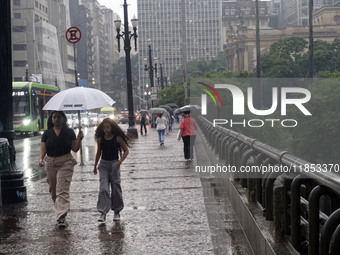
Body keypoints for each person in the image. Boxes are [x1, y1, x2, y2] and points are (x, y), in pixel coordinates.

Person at [39, 111, 84, 227]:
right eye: (54, 117)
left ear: (63, 119)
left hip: (65, 161)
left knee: (62, 189)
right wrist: (41, 159)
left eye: (59, 117)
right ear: (51, 119)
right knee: (53, 190)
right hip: (50, 162)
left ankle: (61, 217)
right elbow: (43, 149)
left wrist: (79, 139)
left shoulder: (69, 132)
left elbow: (75, 149)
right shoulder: (47, 133)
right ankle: (60, 210)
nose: (56, 119)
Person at [93, 118, 130, 223]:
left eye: (108, 127)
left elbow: (126, 151)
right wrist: (95, 166)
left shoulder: (117, 138)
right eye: (104, 127)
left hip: (114, 164)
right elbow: (99, 153)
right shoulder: (100, 139)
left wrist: (119, 162)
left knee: (116, 189)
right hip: (103, 165)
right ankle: (103, 213)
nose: (106, 130)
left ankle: (117, 211)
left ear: (112, 127)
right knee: (103, 188)